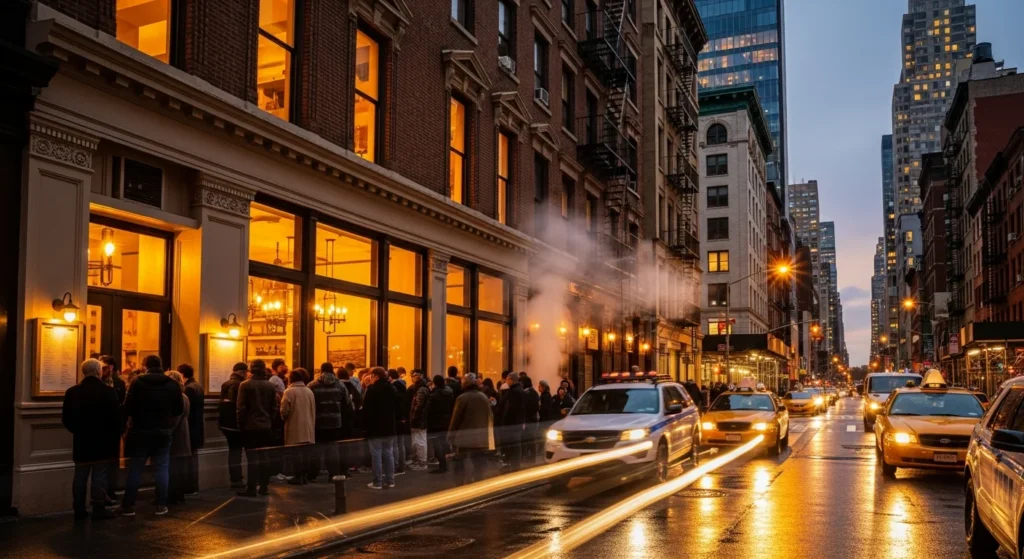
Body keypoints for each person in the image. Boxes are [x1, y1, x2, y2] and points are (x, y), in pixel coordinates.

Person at [117, 355, 183, 516]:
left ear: (145, 365)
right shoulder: (172, 384)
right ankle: (161, 504)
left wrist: (125, 426)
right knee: (161, 468)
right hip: (163, 431)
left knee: (136, 469)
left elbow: (128, 407)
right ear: (161, 366)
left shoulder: (137, 382)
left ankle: (128, 505)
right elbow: (178, 410)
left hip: (140, 430)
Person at [62, 359, 121, 520]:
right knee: (99, 475)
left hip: (82, 440)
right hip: (103, 441)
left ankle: (79, 508)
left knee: (80, 475)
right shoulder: (108, 392)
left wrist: (78, 430)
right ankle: (98, 507)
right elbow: (115, 418)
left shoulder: (72, 392)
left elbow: (67, 418)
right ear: (98, 372)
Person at [235, 359, 278, 497]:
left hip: (250, 427)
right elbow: (274, 407)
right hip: (265, 426)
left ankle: (251, 487)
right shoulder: (270, 386)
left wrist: (240, 425)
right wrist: (270, 421)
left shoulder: (245, 385)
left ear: (251, 370)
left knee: (252, 459)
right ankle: (264, 486)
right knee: (264, 458)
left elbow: (241, 408)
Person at [448, 373, 494, 485]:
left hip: (465, 438)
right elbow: (490, 417)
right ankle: (479, 482)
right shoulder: (483, 397)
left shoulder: (462, 398)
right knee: (479, 463)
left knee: (461, 463)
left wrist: (450, 436)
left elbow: (456, 419)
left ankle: (462, 484)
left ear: (465, 384)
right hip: (482, 438)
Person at [307, 363, 347, 482]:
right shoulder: (340, 385)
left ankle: (312, 474)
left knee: (316, 449)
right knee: (333, 449)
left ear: (321, 370)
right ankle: (333, 474)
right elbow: (347, 402)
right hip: (335, 421)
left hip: (318, 421)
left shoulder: (312, 385)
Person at [362, 367, 397, 489]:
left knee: (376, 455)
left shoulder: (371, 389)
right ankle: (390, 480)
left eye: (371, 376)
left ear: (376, 376)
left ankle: (377, 482)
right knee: (389, 453)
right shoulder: (392, 388)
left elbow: (366, 410)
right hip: (389, 427)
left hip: (375, 427)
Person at [281, 368, 316, 485]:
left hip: (294, 426)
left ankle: (298, 476)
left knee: (295, 453)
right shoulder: (309, 391)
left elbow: (284, 410)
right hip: (308, 427)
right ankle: (304, 476)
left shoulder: (289, 392)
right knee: (306, 453)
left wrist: (284, 418)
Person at [218, 362, 248, 488]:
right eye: (246, 372)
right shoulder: (240, 385)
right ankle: (237, 479)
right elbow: (239, 405)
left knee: (233, 451)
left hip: (225, 423)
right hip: (236, 424)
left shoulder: (225, 384)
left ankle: (235, 478)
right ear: (242, 372)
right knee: (237, 452)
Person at [166, 371, 191, 506]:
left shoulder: (178, 397)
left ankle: (173, 495)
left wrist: (167, 432)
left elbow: (175, 419)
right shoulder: (184, 396)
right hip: (182, 434)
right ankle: (178, 494)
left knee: (173, 467)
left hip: (176, 436)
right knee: (178, 467)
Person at [178, 364, 204, 495]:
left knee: (188, 459)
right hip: (197, 427)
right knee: (193, 457)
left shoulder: (188, 389)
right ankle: (193, 485)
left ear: (182, 374)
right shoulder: (198, 386)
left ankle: (189, 485)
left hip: (190, 428)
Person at [426, 375, 455, 473]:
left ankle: (442, 464)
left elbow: (428, 409)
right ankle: (445, 462)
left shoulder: (434, 395)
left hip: (435, 422)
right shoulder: (449, 393)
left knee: (436, 443)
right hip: (446, 420)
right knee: (444, 442)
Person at [500, 372, 526, 472]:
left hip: (511, 423)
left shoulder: (513, 392)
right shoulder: (521, 390)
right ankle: (515, 466)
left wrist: (504, 419)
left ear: (511, 380)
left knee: (512, 445)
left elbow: (509, 408)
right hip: (518, 422)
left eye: (507, 379)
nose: (506, 381)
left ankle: (513, 466)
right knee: (516, 445)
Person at [407, 370, 430, 470]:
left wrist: (414, 417)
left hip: (419, 420)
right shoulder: (421, 388)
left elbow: (419, 406)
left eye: (416, 375)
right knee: (418, 440)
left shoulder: (421, 389)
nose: (413, 377)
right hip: (419, 419)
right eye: (412, 376)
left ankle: (422, 462)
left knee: (420, 441)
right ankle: (419, 460)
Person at [389, 369, 408, 474]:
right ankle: (401, 465)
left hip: (396, 418)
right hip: (402, 417)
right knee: (401, 444)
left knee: (395, 444)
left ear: (391, 377)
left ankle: (396, 466)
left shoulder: (393, 388)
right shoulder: (403, 386)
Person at [521, 376, 540, 464]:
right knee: (531, 439)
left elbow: (523, 407)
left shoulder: (525, 393)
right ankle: (532, 457)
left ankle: (526, 456)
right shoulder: (535, 393)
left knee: (525, 439)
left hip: (527, 419)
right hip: (533, 418)